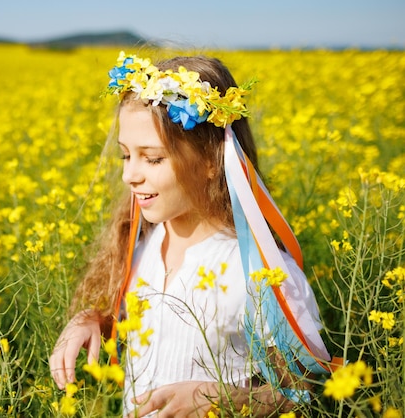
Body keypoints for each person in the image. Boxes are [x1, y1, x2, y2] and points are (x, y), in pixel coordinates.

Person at [49, 52, 334, 417]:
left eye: (152, 159)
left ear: (212, 163)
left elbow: (302, 387)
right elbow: (144, 323)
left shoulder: (257, 271)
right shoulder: (142, 245)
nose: (130, 175)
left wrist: (229, 399)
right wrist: (93, 320)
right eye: (125, 156)